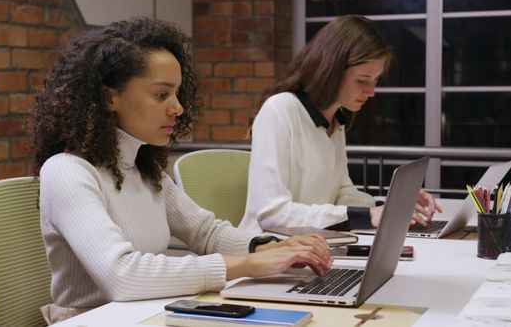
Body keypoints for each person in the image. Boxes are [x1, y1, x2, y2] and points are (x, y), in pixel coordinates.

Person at [28, 17, 333, 323]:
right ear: (110, 97)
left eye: (177, 93)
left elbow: (205, 232)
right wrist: (246, 264)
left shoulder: (144, 169)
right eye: (162, 95)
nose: (178, 107)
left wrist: (269, 247)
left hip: (150, 315)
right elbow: (122, 275)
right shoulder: (67, 171)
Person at [238, 15, 442, 234]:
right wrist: (368, 215)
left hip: (311, 247)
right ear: (331, 69)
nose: (371, 92)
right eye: (362, 80)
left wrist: (391, 205)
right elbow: (271, 214)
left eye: (375, 81)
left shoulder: (335, 120)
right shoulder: (279, 111)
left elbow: (341, 194)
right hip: (265, 251)